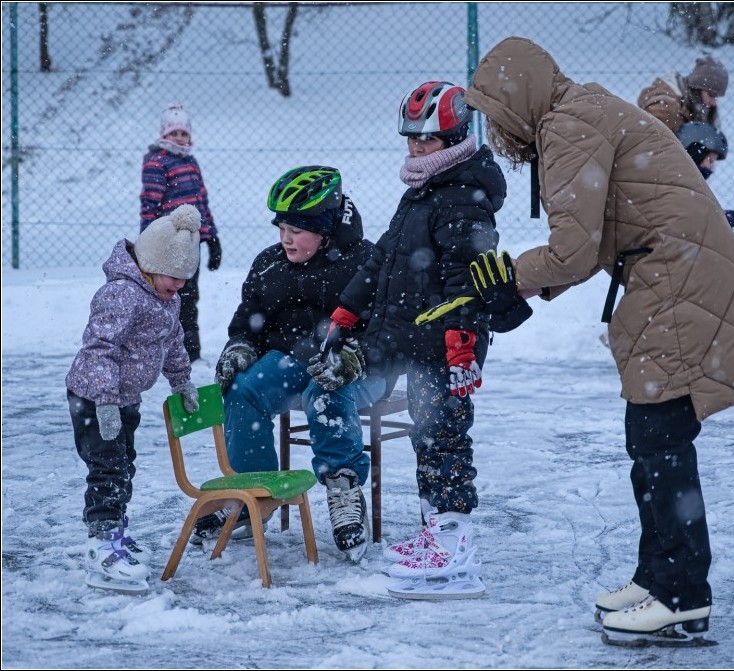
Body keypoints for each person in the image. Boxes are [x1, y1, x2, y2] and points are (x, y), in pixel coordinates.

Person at [465, 37, 734, 641]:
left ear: (518, 101)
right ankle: (657, 575)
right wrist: (518, 286)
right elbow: (589, 242)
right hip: (672, 274)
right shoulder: (581, 109)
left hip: (674, 280)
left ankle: (681, 593)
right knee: (651, 437)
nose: (495, 131)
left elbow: (572, 250)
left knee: (660, 437)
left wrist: (509, 282)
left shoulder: (566, 126)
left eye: (494, 112)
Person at [321, 80, 516, 599]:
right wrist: (346, 310)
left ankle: (455, 553)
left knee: (445, 438)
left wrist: (460, 347)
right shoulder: (424, 192)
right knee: (427, 437)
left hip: (447, 347)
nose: (415, 149)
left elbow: (467, 276)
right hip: (422, 341)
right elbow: (381, 259)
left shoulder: (463, 197)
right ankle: (438, 534)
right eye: (410, 139)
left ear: (452, 137)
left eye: (425, 141)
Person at [195, 166, 378, 563]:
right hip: (294, 360)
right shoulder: (269, 264)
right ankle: (253, 494)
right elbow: (246, 323)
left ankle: (344, 487)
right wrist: (239, 346)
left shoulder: (367, 263)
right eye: (282, 227)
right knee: (242, 390)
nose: (286, 237)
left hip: (362, 366)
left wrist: (357, 355)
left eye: (298, 228)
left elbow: (393, 329)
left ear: (325, 227)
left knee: (325, 390)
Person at [66, 204, 203, 592]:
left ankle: (116, 533)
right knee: (107, 469)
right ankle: (101, 546)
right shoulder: (121, 295)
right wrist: (105, 401)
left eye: (184, 278)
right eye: (173, 276)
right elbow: (99, 348)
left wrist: (181, 381)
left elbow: (173, 342)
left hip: (125, 397)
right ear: (149, 264)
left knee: (125, 465)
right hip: (95, 396)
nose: (179, 285)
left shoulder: (166, 298)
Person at [140, 102, 223, 364]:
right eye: (173, 133)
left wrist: (211, 237)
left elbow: (201, 204)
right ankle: (160, 350)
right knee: (165, 295)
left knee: (188, 295)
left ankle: (190, 352)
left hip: (191, 242)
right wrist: (147, 242)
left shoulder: (190, 161)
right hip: (167, 242)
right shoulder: (157, 162)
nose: (179, 138)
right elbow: (150, 204)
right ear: (163, 134)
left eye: (183, 133)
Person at [636, 54, 728, 134]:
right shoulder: (665, 109)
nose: (714, 103)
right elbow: (652, 147)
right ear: (697, 89)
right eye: (711, 95)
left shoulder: (698, 106)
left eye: (716, 97)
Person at [676, 121, 734, 228]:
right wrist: (715, 219)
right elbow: (679, 217)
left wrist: (717, 214)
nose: (711, 168)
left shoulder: (685, 182)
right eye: (710, 160)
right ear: (695, 154)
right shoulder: (674, 183)